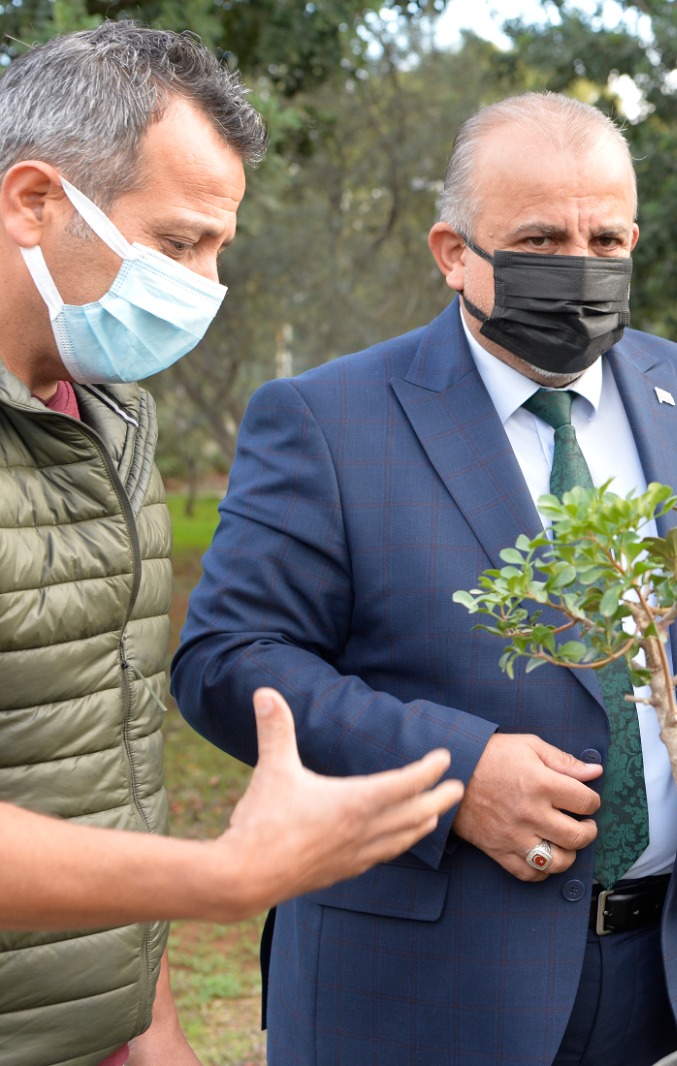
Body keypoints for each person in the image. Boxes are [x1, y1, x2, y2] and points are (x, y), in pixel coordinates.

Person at [170, 91, 677, 1065]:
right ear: (452, 253)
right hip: (416, 993)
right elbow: (228, 662)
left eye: (605, 237)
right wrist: (456, 773)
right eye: (538, 239)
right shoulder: (328, 421)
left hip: (671, 976)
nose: (578, 267)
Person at [0, 23, 464, 1066]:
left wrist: (148, 1020)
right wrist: (225, 877)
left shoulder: (111, 420)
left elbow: (94, 754)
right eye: (175, 244)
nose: (204, 286)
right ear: (34, 200)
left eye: (217, 248)